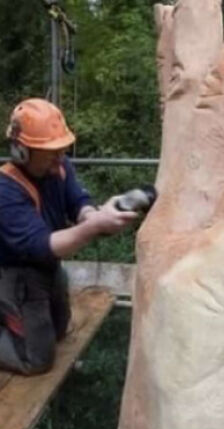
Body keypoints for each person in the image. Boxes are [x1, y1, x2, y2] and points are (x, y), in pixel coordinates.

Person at [0, 98, 138, 375]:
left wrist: (95, 216)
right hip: (16, 272)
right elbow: (42, 246)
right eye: (51, 152)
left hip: (45, 267)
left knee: (60, 330)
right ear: (22, 151)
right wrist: (94, 226)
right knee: (36, 359)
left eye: (61, 149)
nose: (60, 156)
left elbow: (78, 203)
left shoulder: (59, 167)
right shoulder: (5, 190)